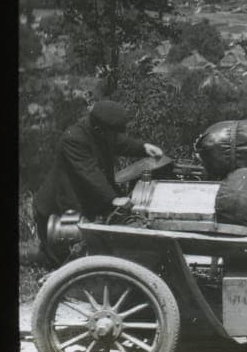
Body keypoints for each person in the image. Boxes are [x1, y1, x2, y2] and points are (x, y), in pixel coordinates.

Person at [32, 99, 164, 264]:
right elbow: (89, 172)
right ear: (99, 129)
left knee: (89, 251)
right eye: (113, 133)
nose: (115, 137)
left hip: (75, 207)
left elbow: (122, 143)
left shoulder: (100, 133)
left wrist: (144, 147)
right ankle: (45, 255)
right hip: (56, 213)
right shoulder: (74, 139)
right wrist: (113, 198)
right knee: (67, 261)